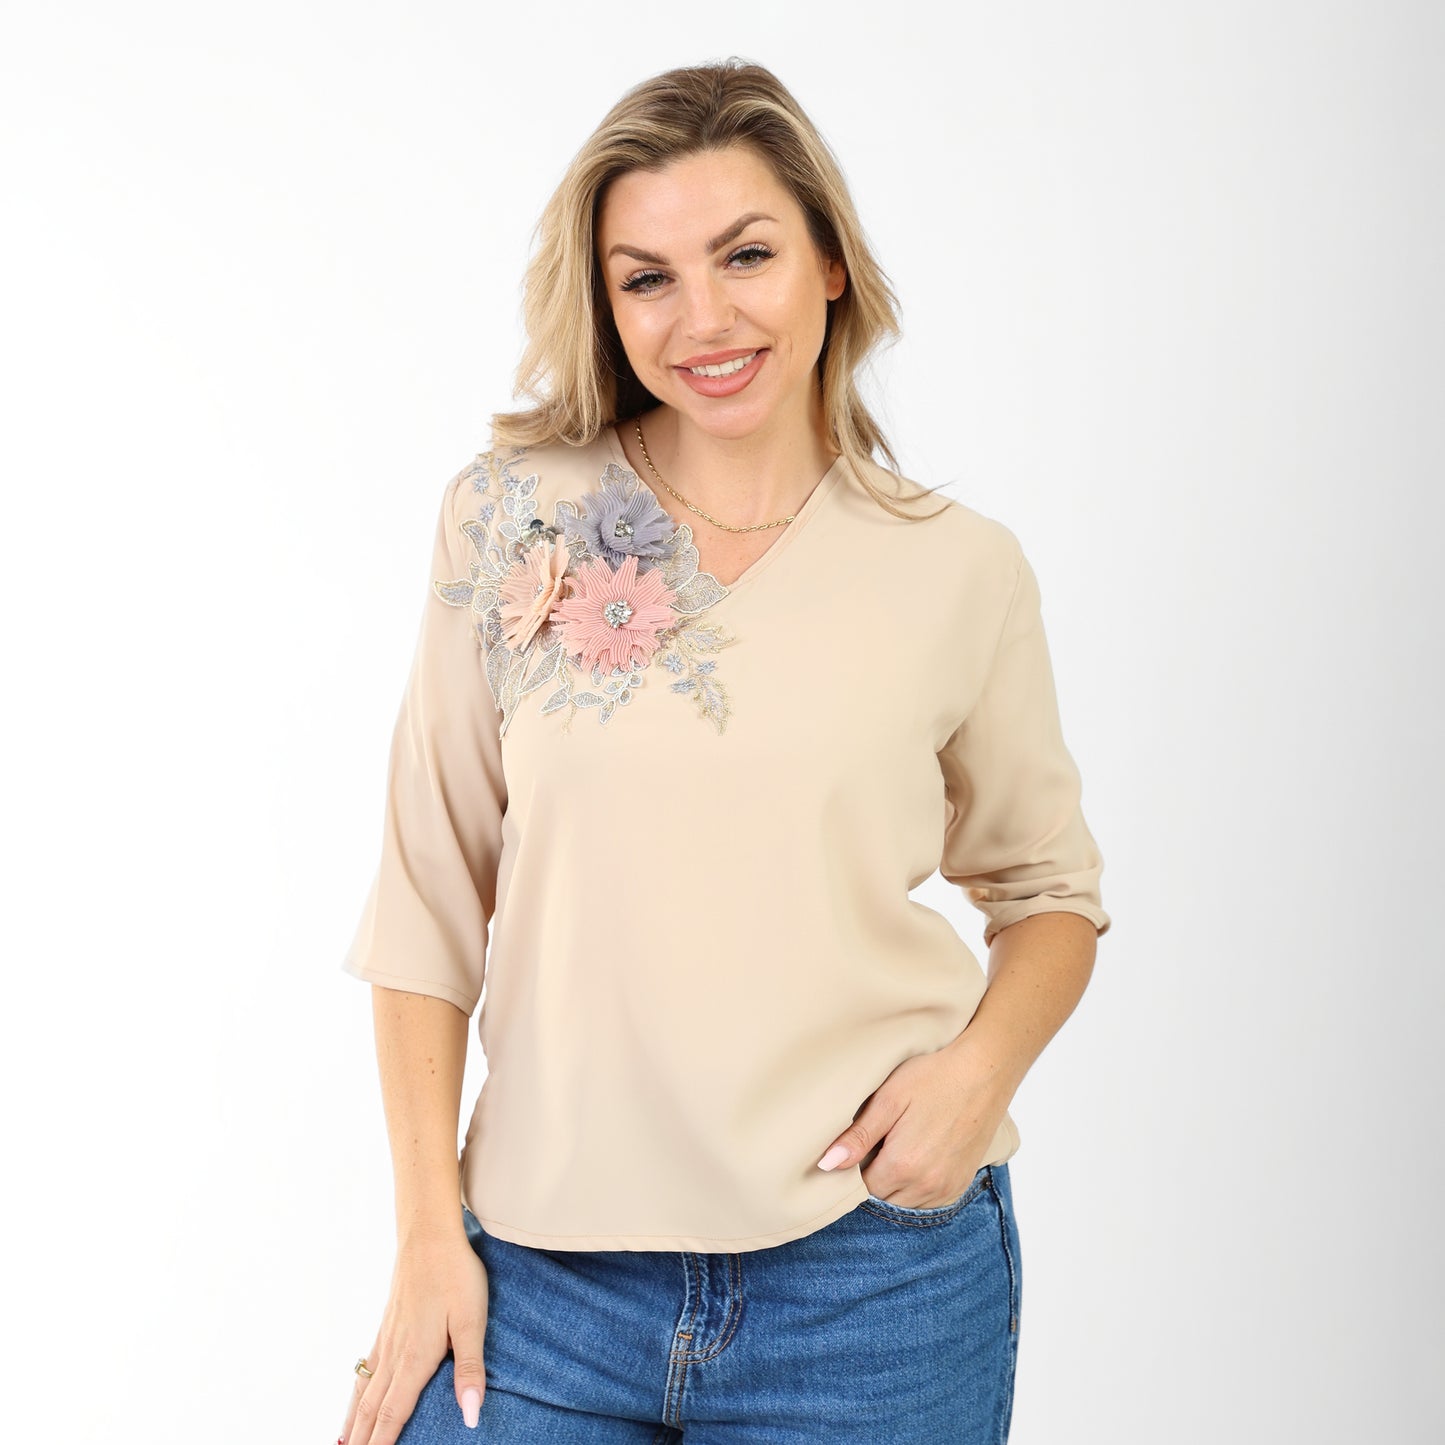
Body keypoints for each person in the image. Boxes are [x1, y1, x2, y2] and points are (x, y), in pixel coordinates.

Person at [338, 57, 1111, 1445]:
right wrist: (423, 1235)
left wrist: (978, 1075)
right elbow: (426, 900)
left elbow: (1049, 893)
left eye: (745, 254)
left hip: (869, 1283)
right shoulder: (509, 516)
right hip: (539, 1283)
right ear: (604, 304)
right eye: (647, 277)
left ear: (828, 263)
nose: (702, 318)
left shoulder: (960, 568)